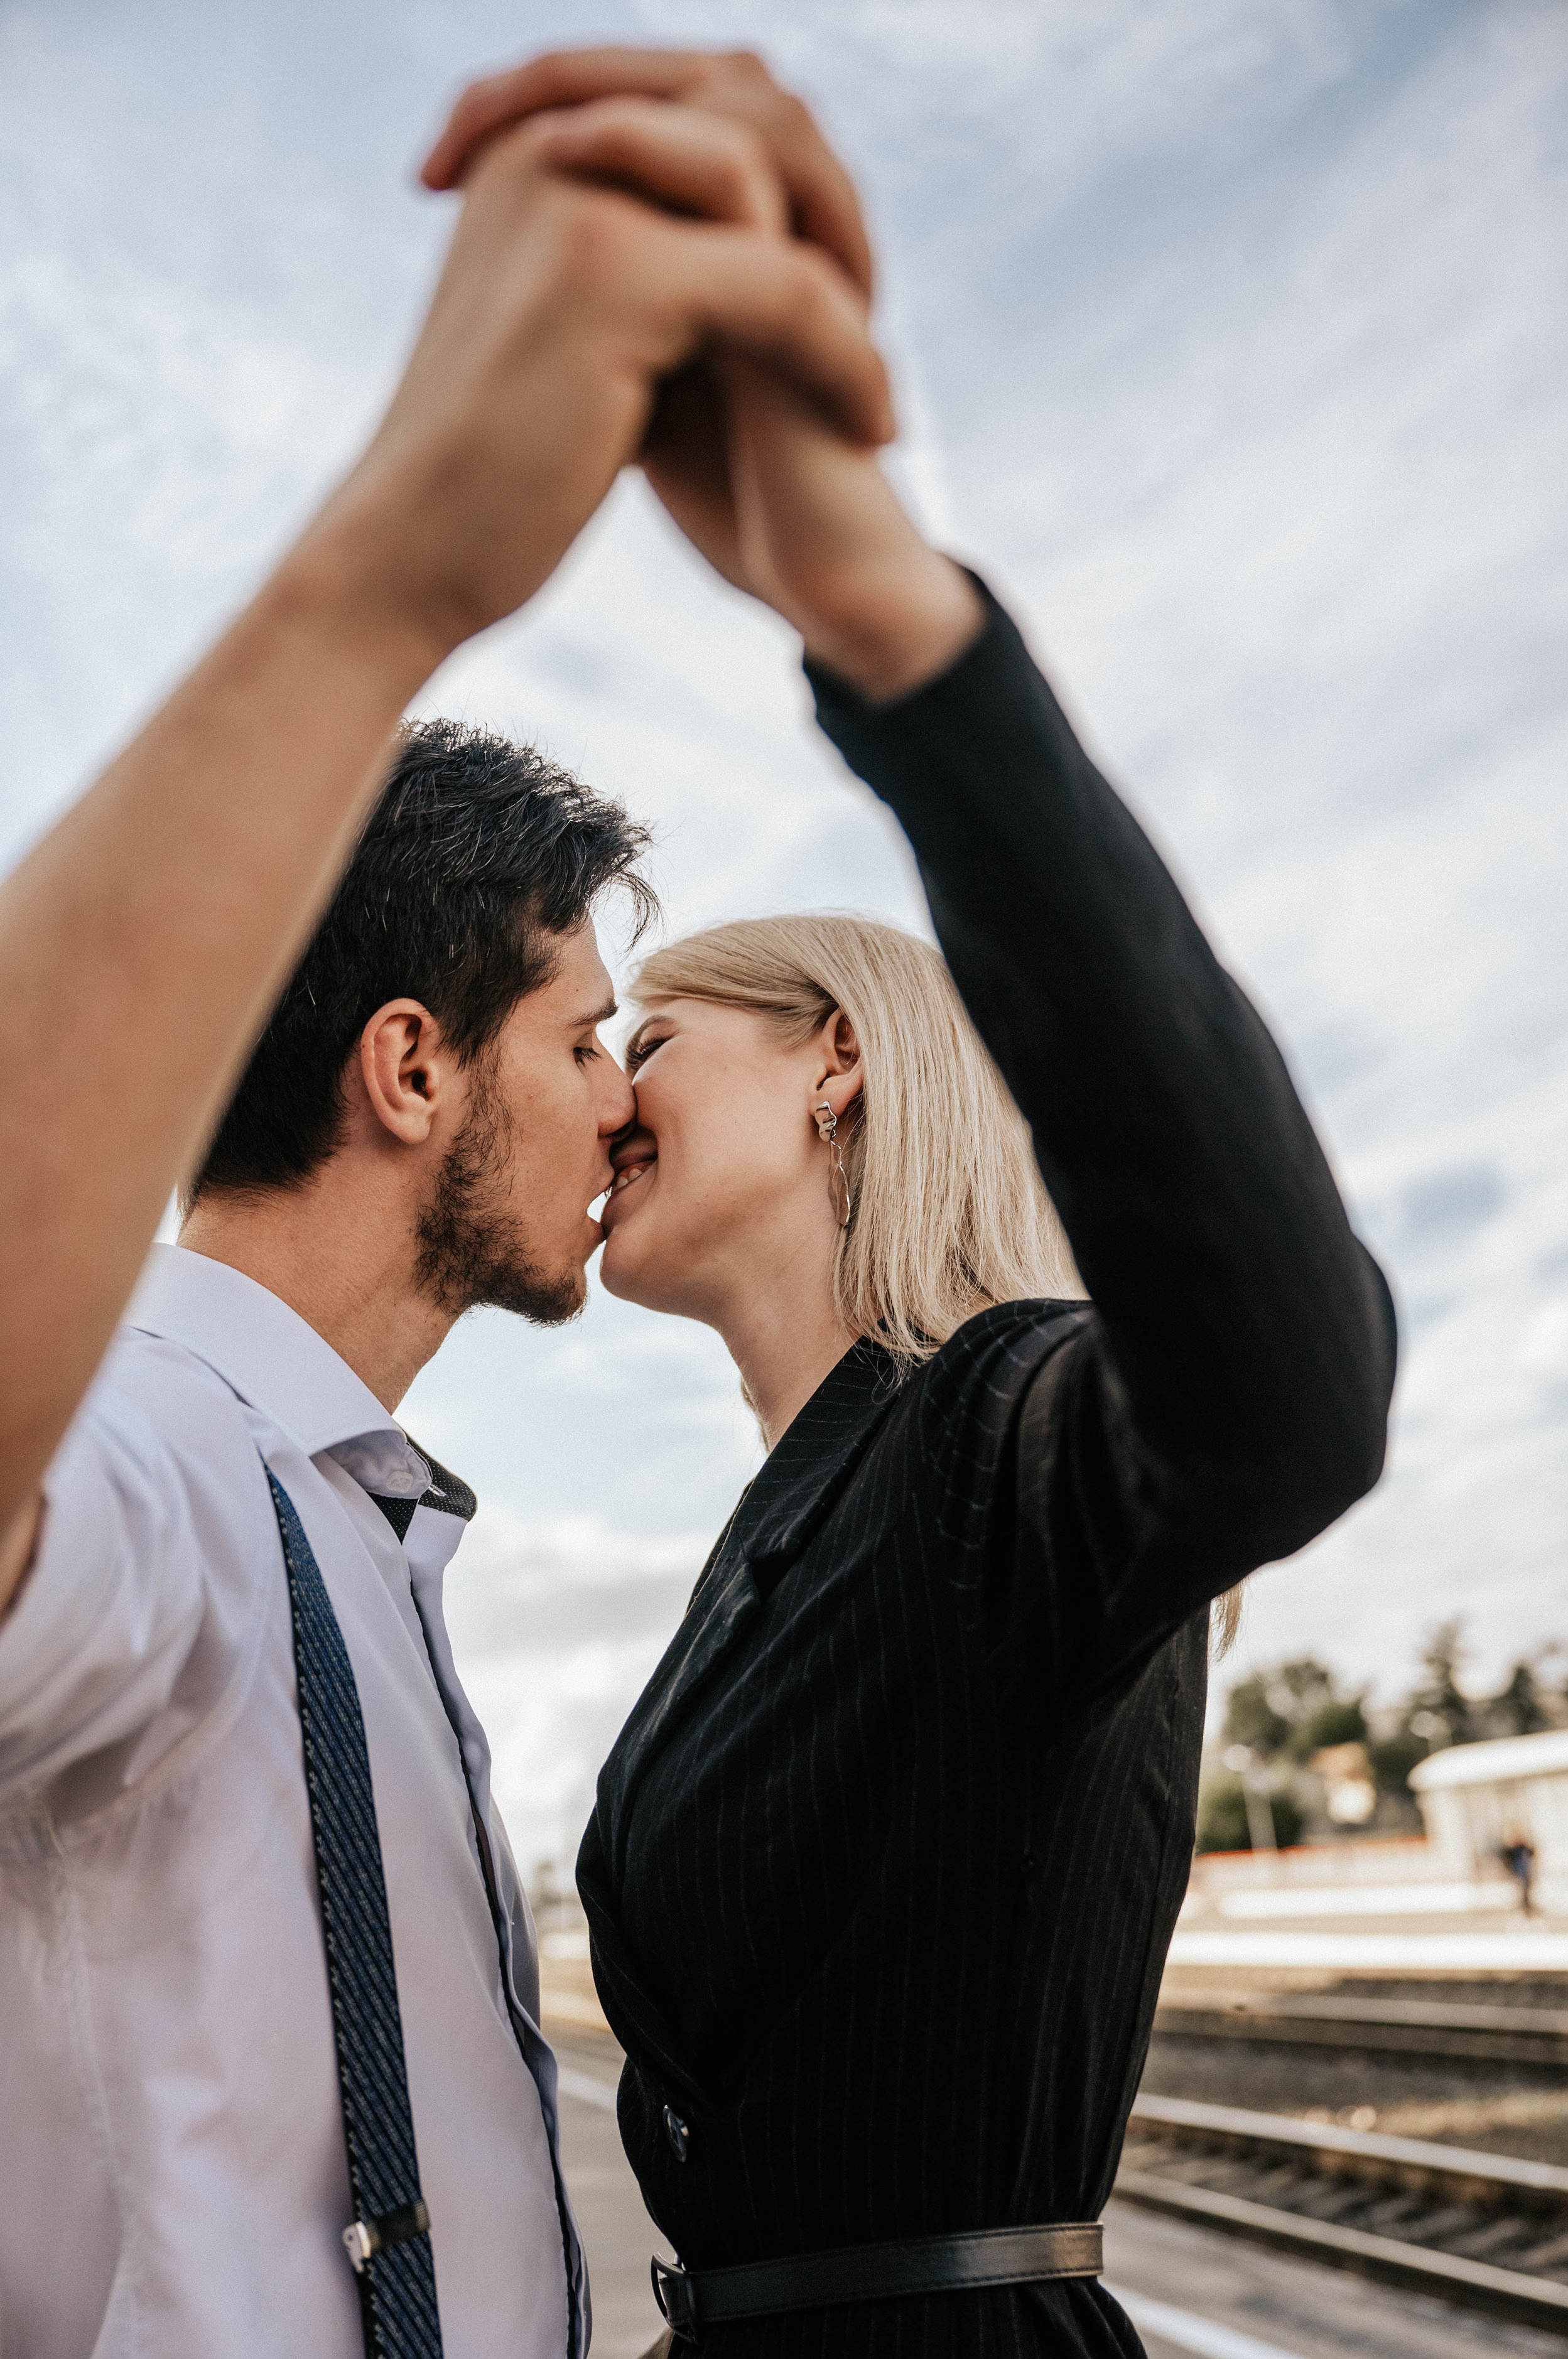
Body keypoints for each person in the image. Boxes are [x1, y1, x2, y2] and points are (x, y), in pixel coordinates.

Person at [426, 51, 1400, 2359]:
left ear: (839, 1062)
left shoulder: (1000, 1434)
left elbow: (1287, 1380)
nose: (603, 1088)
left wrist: (895, 636)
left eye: (648, 1033)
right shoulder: (794, 1509)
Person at [0, 70, 894, 2359]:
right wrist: (392, 570)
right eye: (586, 1033)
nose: (622, 1103)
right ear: (410, 1070)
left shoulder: (357, 1521)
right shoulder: (165, 1466)